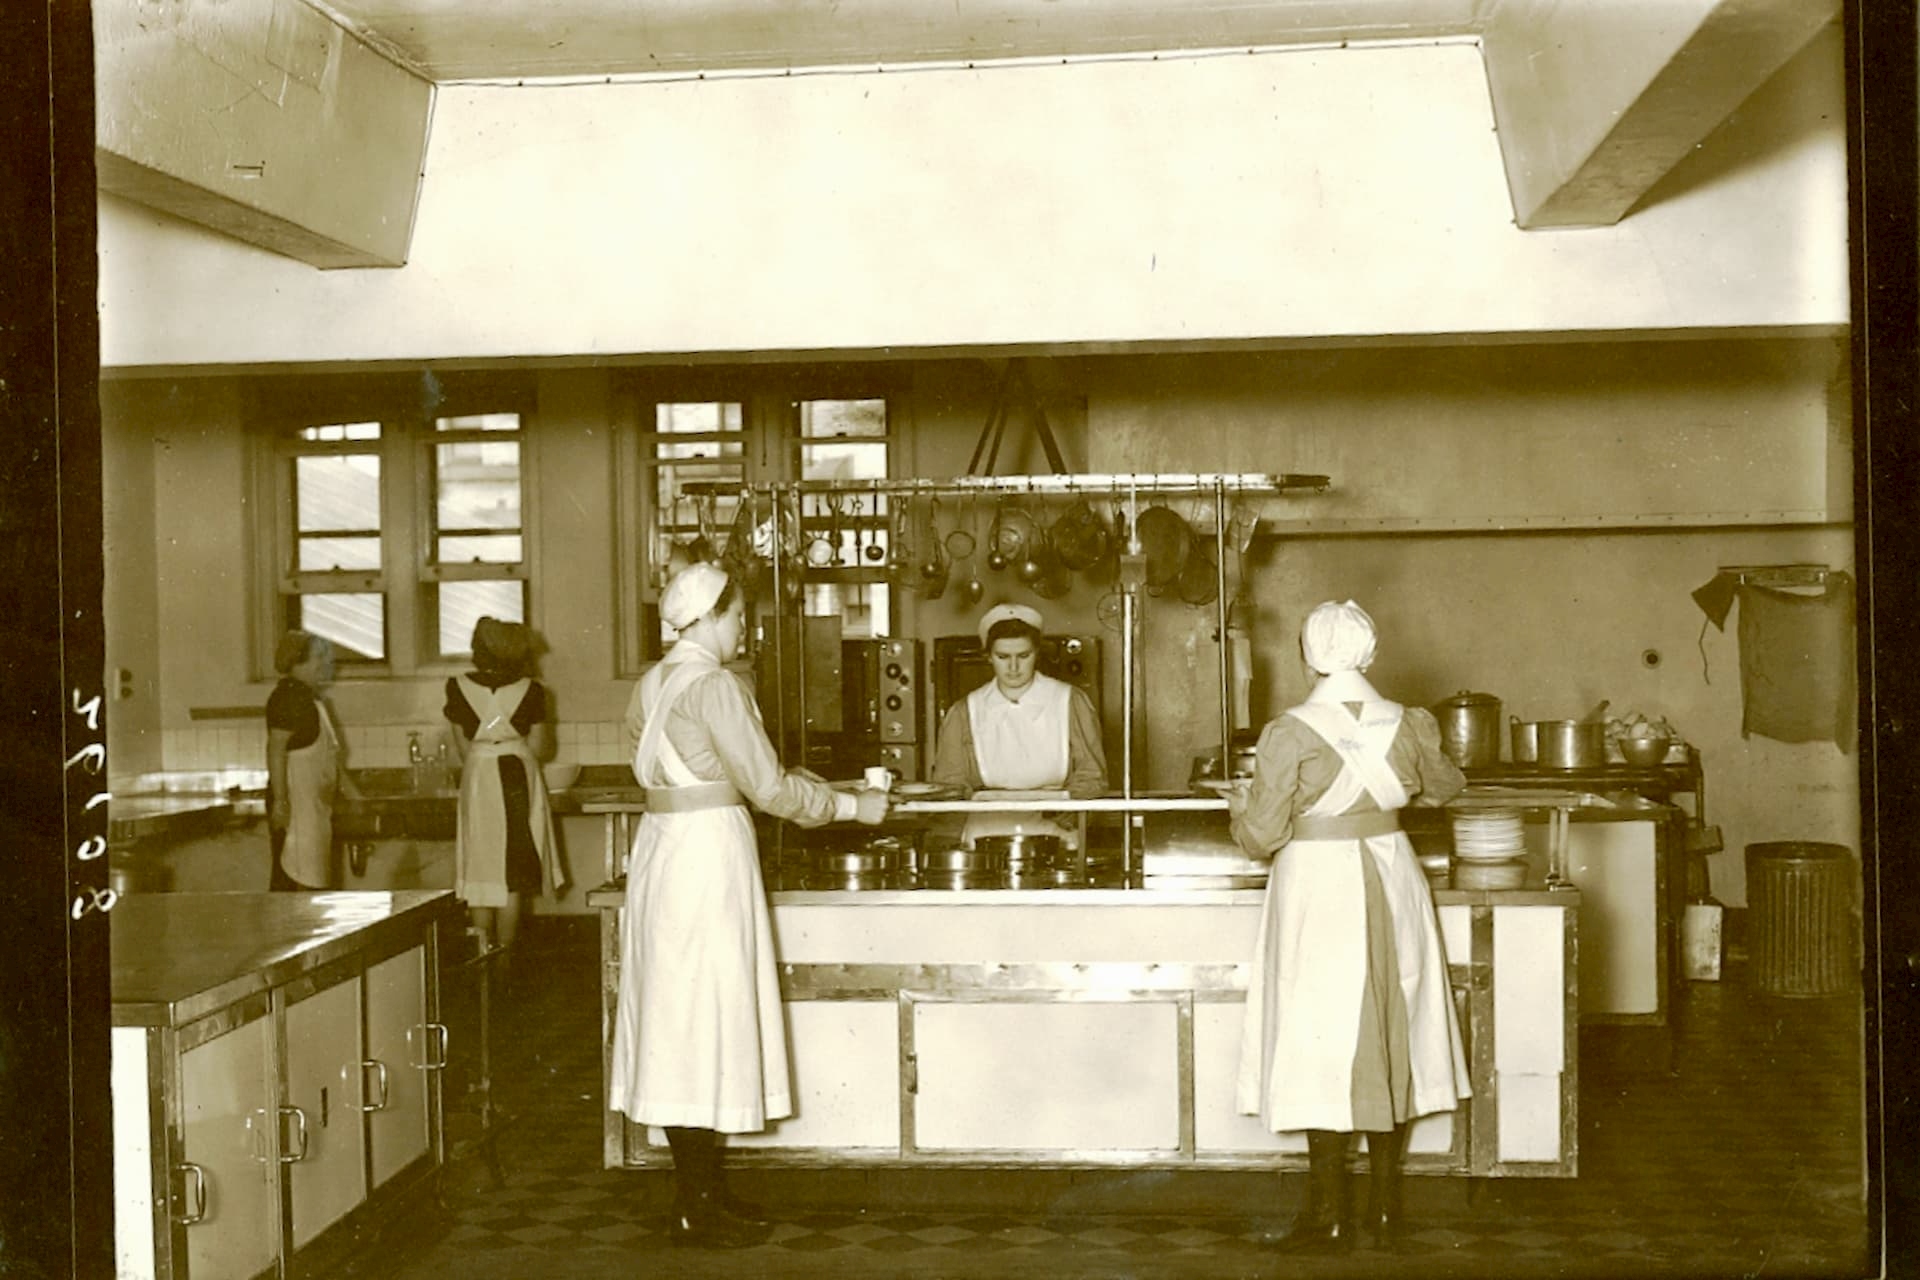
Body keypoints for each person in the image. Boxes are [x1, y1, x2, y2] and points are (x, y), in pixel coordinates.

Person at [609, 563, 889, 1249]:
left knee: (682, 1023)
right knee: (708, 1019)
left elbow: (714, 771)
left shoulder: (652, 683)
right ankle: (695, 1205)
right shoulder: (716, 686)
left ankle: (702, 1191)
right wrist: (857, 805)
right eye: (737, 617)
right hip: (707, 858)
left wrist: (816, 783)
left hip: (664, 853)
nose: (744, 629)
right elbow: (765, 789)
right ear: (707, 617)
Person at [1229, 600, 1471, 1254]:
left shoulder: (1289, 732)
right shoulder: (1409, 721)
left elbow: (1259, 836)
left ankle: (1327, 1214)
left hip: (1317, 886)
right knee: (1394, 1029)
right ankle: (1388, 1210)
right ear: (1370, 653)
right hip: (1391, 874)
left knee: (1319, 1036)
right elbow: (1447, 787)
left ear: (1309, 657)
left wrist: (1239, 806)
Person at [928, 603, 1107, 850]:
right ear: (988, 656)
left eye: (1023, 656)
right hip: (985, 835)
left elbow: (1092, 777)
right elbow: (951, 787)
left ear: (1037, 653)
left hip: (1056, 832)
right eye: (1003, 657)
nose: (1013, 667)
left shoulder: (1069, 701)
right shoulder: (964, 712)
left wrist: (1066, 815)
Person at [444, 617, 566, 974]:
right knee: (512, 876)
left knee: (480, 871)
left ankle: (481, 967)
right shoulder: (533, 690)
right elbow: (542, 748)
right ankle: (506, 966)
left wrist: (487, 749)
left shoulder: (457, 687)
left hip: (479, 777)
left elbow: (461, 750)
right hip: (516, 779)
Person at [265, 631, 357, 890]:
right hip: (296, 810)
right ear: (297, 662)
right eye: (318, 657)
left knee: (311, 887)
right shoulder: (288, 697)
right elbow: (275, 749)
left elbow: (330, 758)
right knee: (294, 885)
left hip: (313, 811)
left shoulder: (311, 700)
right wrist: (281, 801)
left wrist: (354, 796)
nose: (325, 663)